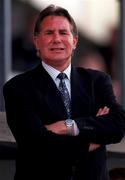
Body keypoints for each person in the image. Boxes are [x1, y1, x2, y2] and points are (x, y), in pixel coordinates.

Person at [3, 4, 125, 180]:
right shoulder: (17, 88)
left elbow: (118, 125)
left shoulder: (97, 81)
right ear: (36, 41)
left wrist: (68, 126)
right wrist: (94, 138)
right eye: (49, 33)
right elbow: (37, 144)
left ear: (74, 41)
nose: (57, 39)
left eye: (63, 32)